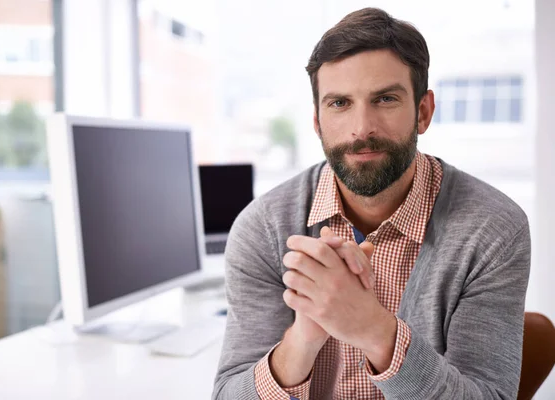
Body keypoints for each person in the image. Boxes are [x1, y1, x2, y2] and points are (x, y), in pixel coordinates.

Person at [212, 7, 530, 400]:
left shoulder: (492, 228)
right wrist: (303, 338)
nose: (361, 128)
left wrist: (373, 330)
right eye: (340, 104)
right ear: (316, 120)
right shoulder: (263, 228)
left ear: (423, 112)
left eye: (385, 99)